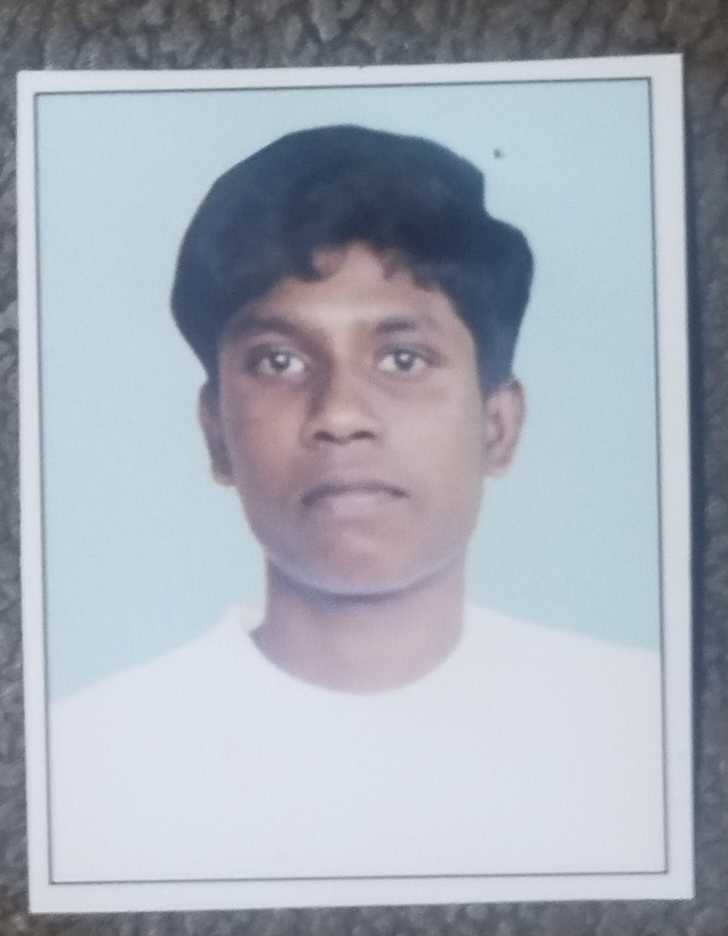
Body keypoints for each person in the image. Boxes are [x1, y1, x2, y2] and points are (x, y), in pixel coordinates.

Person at [50, 126, 664, 886]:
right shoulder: (84, 759)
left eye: (403, 359)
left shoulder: (643, 727)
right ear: (216, 433)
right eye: (279, 361)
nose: (340, 415)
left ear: (498, 427)